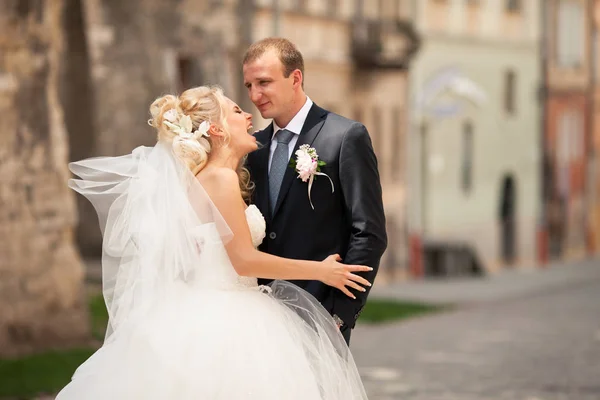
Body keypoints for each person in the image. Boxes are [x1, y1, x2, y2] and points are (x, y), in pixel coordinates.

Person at [56, 86, 370, 399]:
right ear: (217, 129)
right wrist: (321, 271)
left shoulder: (200, 180)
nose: (249, 114)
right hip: (229, 316)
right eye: (236, 110)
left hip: (200, 305)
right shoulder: (220, 179)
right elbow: (244, 260)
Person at [244, 38, 387, 344]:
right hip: (259, 319)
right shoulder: (253, 148)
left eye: (264, 82)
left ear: (295, 78)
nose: (255, 95)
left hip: (319, 317)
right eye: (249, 86)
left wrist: (339, 315)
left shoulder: (345, 137)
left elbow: (369, 233)